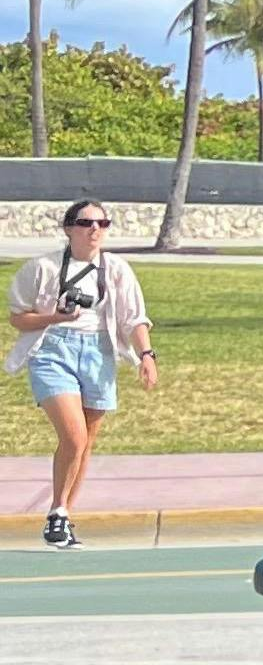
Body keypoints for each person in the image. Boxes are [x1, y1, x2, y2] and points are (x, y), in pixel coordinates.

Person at [11, 199, 159, 549]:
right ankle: (58, 513)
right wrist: (55, 318)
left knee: (86, 441)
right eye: (86, 223)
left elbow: (133, 317)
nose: (95, 229)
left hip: (99, 353)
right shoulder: (42, 268)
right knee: (74, 436)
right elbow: (19, 317)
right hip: (52, 351)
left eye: (103, 223)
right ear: (68, 228)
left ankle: (61, 515)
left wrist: (146, 355)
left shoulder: (117, 269)